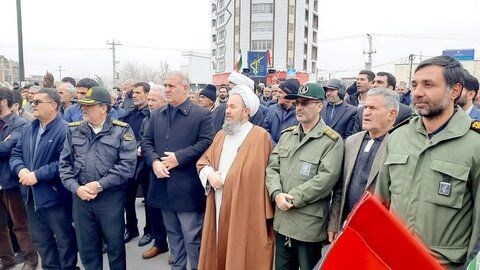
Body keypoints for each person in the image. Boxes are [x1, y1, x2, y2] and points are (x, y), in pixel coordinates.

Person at [375, 56, 480, 268]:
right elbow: (381, 204)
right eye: (414, 85)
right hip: (393, 260)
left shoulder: (474, 143)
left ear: (454, 91)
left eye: (428, 84)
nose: (417, 92)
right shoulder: (398, 136)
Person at [266, 83, 344, 270]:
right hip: (283, 220)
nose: (299, 107)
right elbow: (272, 168)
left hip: (308, 224)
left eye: (305, 103)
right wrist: (276, 193)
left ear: (319, 106)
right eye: (297, 103)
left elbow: (326, 179)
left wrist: (293, 197)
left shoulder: (331, 141)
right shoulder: (287, 136)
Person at [141, 71, 214, 270]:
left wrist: (178, 158)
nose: (167, 89)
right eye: (165, 85)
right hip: (162, 185)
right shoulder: (157, 114)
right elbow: (146, 142)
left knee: (192, 237)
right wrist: (154, 162)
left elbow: (207, 142)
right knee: (173, 235)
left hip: (187, 188)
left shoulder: (201, 114)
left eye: (171, 86)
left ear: (185, 88)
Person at [197, 85, 274, 270]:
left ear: (246, 111)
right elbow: (204, 161)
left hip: (244, 206)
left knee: (240, 251)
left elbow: (253, 173)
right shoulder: (221, 135)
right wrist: (210, 174)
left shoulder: (259, 136)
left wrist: (224, 178)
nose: (227, 111)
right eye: (227, 106)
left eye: (233, 107)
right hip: (218, 199)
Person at [60, 86, 137, 270]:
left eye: (89, 105)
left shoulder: (121, 131)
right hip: (81, 199)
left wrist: (100, 185)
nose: (83, 109)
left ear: (104, 108)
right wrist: (76, 188)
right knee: (87, 250)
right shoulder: (73, 131)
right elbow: (64, 166)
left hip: (109, 199)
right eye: (82, 105)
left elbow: (127, 166)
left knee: (115, 248)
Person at [10, 88, 78, 270]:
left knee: (64, 240)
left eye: (38, 102)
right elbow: (16, 153)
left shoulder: (66, 131)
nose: (33, 104)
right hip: (30, 197)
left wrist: (37, 175)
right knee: (41, 241)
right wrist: (21, 169)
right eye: (32, 101)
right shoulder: (28, 128)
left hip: (55, 197)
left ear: (53, 105)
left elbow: (64, 163)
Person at [328, 88, 399, 238]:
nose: (365, 113)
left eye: (373, 108)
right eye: (365, 107)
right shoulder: (352, 142)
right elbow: (339, 189)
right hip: (347, 226)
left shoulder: (399, 146)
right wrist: (334, 223)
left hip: (378, 231)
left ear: (391, 114)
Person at [0, 88, 38, 270]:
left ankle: (31, 259)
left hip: (12, 182)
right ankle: (7, 259)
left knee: (20, 224)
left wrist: (4, 144)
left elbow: (6, 149)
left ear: (4, 102)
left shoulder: (20, 124)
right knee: (0, 226)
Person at [139, 85, 170, 260]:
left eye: (153, 100)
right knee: (153, 208)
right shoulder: (147, 119)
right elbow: (145, 141)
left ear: (164, 101)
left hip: (170, 169)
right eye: (149, 99)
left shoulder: (171, 118)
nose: (149, 103)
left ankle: (176, 247)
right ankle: (159, 243)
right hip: (151, 168)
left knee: (172, 212)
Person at [121, 82, 151, 245]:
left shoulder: (151, 115)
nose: (135, 96)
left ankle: (149, 231)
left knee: (148, 198)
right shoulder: (129, 115)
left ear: (147, 94)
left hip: (145, 161)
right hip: (129, 161)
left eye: (139, 93)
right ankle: (131, 229)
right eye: (133, 93)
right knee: (127, 197)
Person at [263, 79, 300, 144]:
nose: (277, 95)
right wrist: (274, 145)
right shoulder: (272, 109)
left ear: (290, 95)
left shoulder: (300, 113)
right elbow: (265, 130)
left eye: (280, 92)